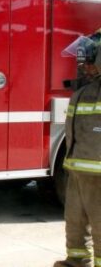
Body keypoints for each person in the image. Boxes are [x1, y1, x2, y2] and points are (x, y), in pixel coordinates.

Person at [54, 29, 101, 267]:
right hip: (77, 172)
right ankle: (77, 261)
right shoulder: (83, 92)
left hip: (99, 176)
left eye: (90, 60)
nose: (84, 65)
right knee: (74, 222)